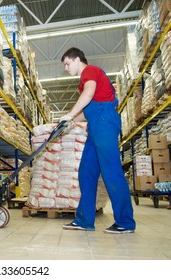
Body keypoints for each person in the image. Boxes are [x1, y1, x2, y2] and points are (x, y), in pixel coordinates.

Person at [59, 47, 136, 234]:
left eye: (67, 64)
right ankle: (85, 219)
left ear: (78, 59)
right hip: (95, 127)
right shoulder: (83, 83)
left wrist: (69, 115)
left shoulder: (90, 71)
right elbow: (86, 111)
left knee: (111, 171)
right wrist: (66, 123)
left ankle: (125, 222)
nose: (66, 68)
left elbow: (89, 95)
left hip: (105, 122)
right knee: (86, 172)